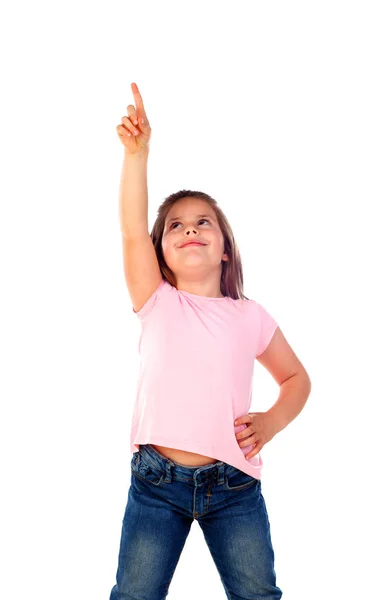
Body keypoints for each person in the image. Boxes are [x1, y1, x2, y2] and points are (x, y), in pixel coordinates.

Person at [110, 82, 311, 600]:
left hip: (233, 487)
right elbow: (133, 230)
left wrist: (272, 420)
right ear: (161, 252)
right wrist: (138, 155)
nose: (190, 230)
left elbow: (296, 378)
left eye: (204, 223)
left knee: (258, 594)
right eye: (175, 225)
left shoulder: (251, 315)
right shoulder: (156, 299)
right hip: (156, 484)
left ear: (225, 249)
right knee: (133, 595)